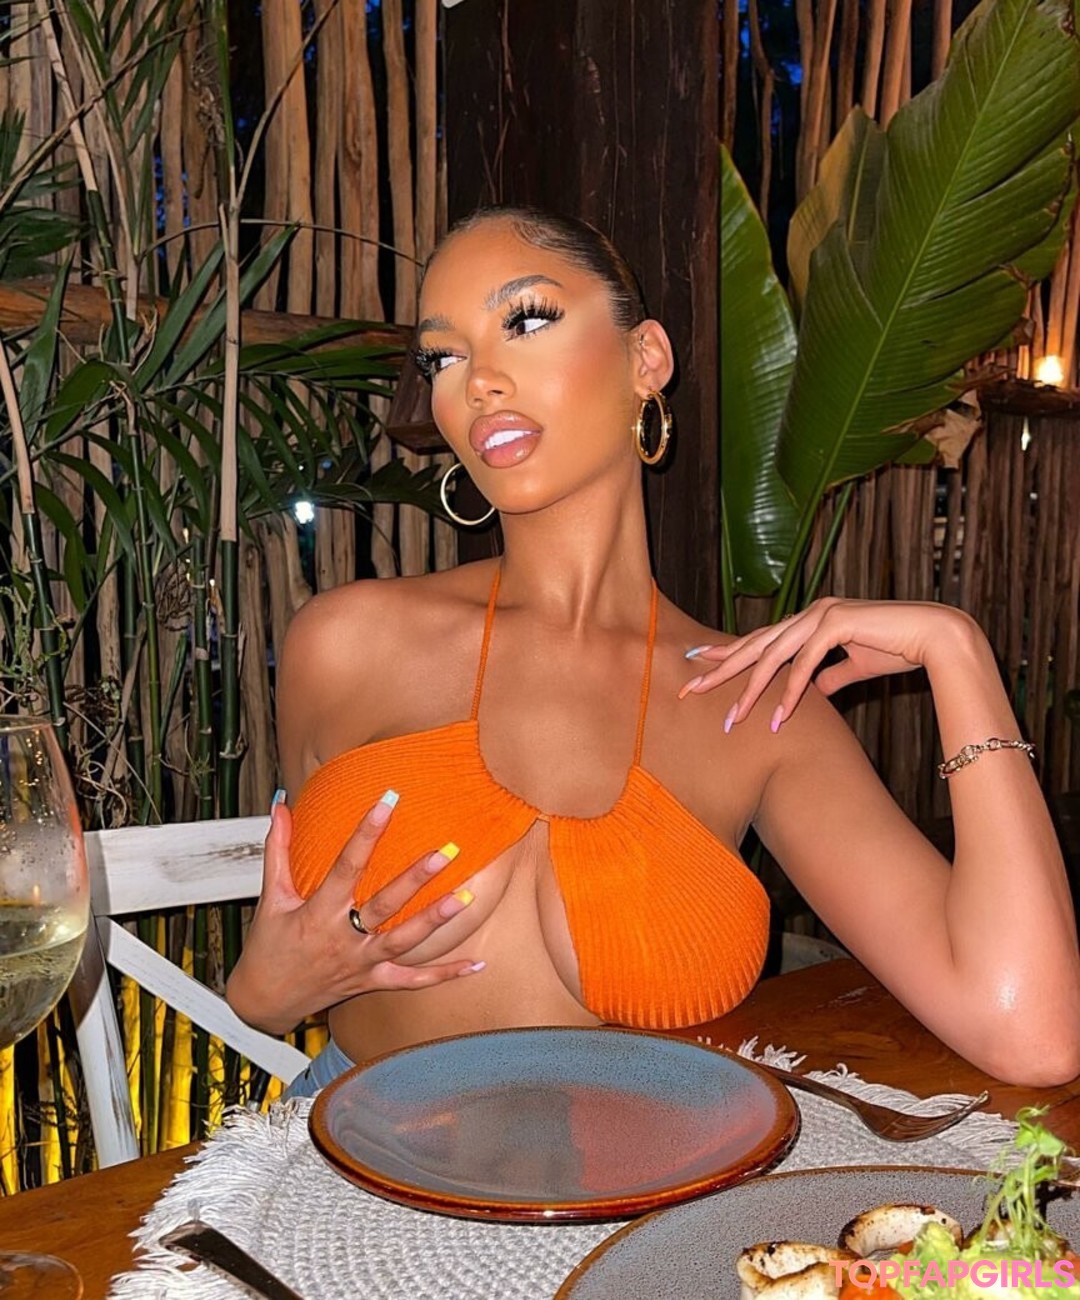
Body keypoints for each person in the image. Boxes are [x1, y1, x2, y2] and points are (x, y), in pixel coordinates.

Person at [225, 206, 1080, 1093]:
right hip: (354, 1162)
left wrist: (957, 651)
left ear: (647, 359)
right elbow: (278, 971)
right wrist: (263, 992)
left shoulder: (754, 704)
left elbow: (1031, 1032)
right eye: (443, 357)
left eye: (526, 320)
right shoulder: (347, 643)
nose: (478, 381)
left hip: (637, 1170)